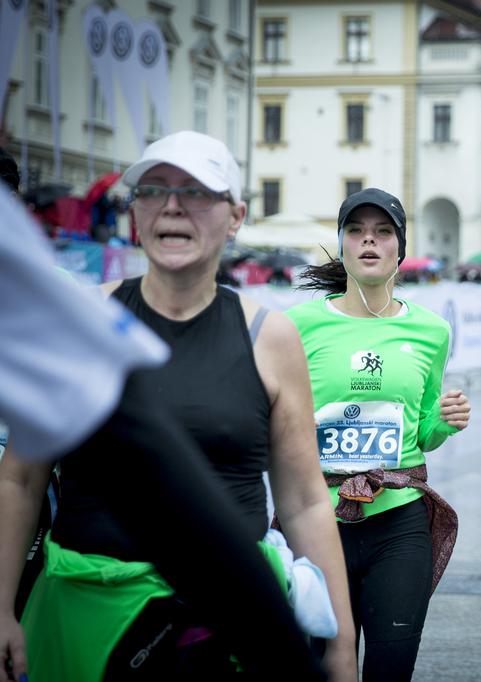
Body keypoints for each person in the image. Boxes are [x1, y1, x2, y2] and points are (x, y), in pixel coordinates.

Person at [1, 131, 358, 681]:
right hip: (82, 616)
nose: (172, 205)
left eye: (196, 192)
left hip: (224, 622)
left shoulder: (271, 337)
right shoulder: (81, 322)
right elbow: (20, 481)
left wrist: (341, 640)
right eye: (153, 189)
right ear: (135, 214)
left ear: (235, 216)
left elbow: (307, 500)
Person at [290, 188, 470, 681]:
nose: (369, 240)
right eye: (357, 231)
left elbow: (424, 432)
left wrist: (445, 421)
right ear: (343, 246)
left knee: (391, 669)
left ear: (400, 249)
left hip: (398, 522)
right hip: (318, 520)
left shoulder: (431, 331)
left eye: (383, 232)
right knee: (324, 666)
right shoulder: (298, 325)